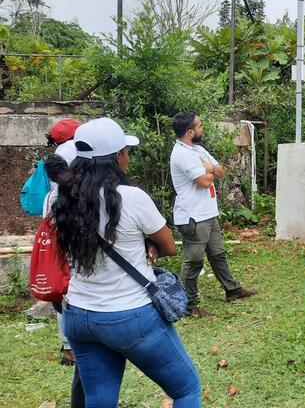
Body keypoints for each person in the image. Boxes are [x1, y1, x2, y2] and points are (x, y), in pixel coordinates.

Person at [52, 117, 201, 406]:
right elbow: (169, 246)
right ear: (116, 157)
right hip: (129, 315)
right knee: (186, 389)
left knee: (99, 400)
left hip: (79, 316)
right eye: (126, 151)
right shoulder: (131, 198)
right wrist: (148, 243)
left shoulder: (63, 197)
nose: (128, 157)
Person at [170, 112, 256, 317]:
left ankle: (232, 290)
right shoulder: (181, 154)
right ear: (190, 132)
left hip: (208, 213)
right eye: (199, 126)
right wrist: (211, 170)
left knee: (218, 254)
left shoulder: (198, 149)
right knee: (193, 262)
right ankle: (189, 306)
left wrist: (211, 169)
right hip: (193, 216)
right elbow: (205, 181)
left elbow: (220, 170)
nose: (202, 129)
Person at [43, 153, 85, 408]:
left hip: (60, 265)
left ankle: (69, 349)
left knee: (63, 309)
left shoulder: (50, 198)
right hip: (77, 267)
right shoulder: (78, 192)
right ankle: (75, 351)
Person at [44, 118, 82, 367]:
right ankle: (71, 347)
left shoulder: (57, 156)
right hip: (71, 231)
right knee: (72, 288)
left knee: (64, 289)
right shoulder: (74, 150)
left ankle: (69, 346)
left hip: (58, 230)